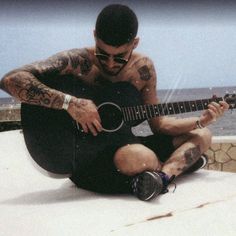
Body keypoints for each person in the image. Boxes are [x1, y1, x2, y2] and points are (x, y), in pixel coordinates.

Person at [0, 4, 229, 201]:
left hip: (126, 146)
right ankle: (176, 167)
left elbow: (159, 126)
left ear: (135, 43)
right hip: (88, 160)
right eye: (102, 53)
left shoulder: (143, 69)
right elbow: (12, 80)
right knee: (141, 157)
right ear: (94, 36)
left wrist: (200, 120)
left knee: (203, 135)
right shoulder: (77, 61)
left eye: (120, 56)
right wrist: (70, 103)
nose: (110, 64)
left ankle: (161, 177)